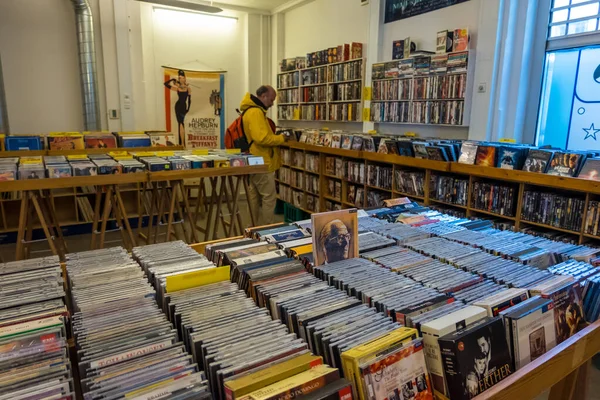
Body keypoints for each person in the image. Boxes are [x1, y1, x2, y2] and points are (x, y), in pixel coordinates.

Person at [240, 85, 289, 225]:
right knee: (269, 197)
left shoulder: (250, 110)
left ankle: (252, 227)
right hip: (261, 160)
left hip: (254, 158)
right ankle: (268, 229)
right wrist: (280, 138)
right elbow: (262, 138)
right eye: (272, 99)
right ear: (263, 96)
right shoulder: (256, 112)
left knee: (254, 196)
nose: (272, 103)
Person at [164, 70, 192, 146]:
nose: (180, 79)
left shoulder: (188, 88)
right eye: (179, 78)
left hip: (184, 106)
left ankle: (182, 143)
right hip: (178, 106)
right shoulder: (177, 88)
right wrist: (172, 80)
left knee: (182, 123)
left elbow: (189, 100)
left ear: (185, 78)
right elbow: (165, 84)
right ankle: (182, 143)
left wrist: (188, 109)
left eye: (182, 78)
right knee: (180, 123)